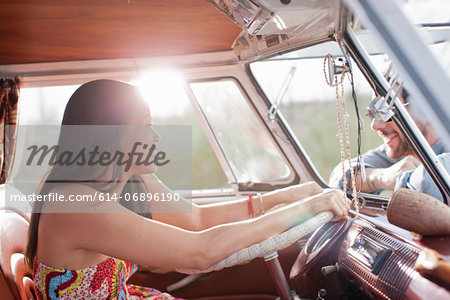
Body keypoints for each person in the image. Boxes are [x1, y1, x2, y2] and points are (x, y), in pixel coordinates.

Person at [26, 79, 349, 299]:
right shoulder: (74, 203)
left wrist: (284, 196)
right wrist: (308, 208)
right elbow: (199, 252)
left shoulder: (129, 181)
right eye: (145, 125)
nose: (155, 137)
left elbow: (196, 220)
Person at [329, 87, 448, 201]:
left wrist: (406, 179)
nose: (375, 125)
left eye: (386, 111)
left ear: (425, 110)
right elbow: (340, 176)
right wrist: (384, 177)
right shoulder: (406, 149)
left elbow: (426, 185)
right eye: (373, 113)